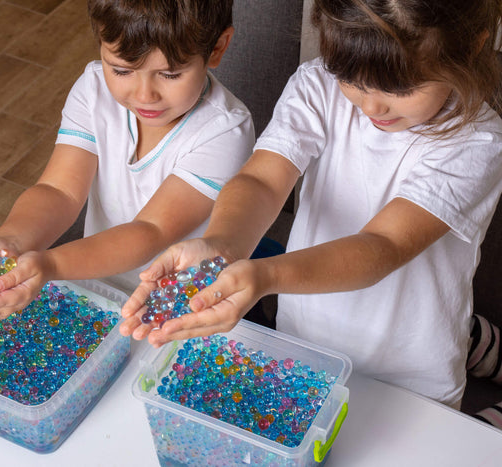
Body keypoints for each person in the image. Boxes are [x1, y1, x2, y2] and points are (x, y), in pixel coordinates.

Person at [120, 0, 502, 408]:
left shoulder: (477, 141)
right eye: (351, 77)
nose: (371, 106)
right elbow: (261, 179)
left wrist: (264, 276)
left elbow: (382, 246)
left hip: (407, 375)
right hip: (303, 343)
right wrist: (221, 246)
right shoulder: (317, 84)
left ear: (472, 45)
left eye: (402, 88)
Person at [0, 0, 254, 322]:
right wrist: (7, 243)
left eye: (170, 74)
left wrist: (50, 265)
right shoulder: (93, 88)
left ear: (217, 48)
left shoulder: (226, 130)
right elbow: (59, 190)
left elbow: (150, 230)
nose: (145, 95)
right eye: (121, 70)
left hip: (186, 313)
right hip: (95, 292)